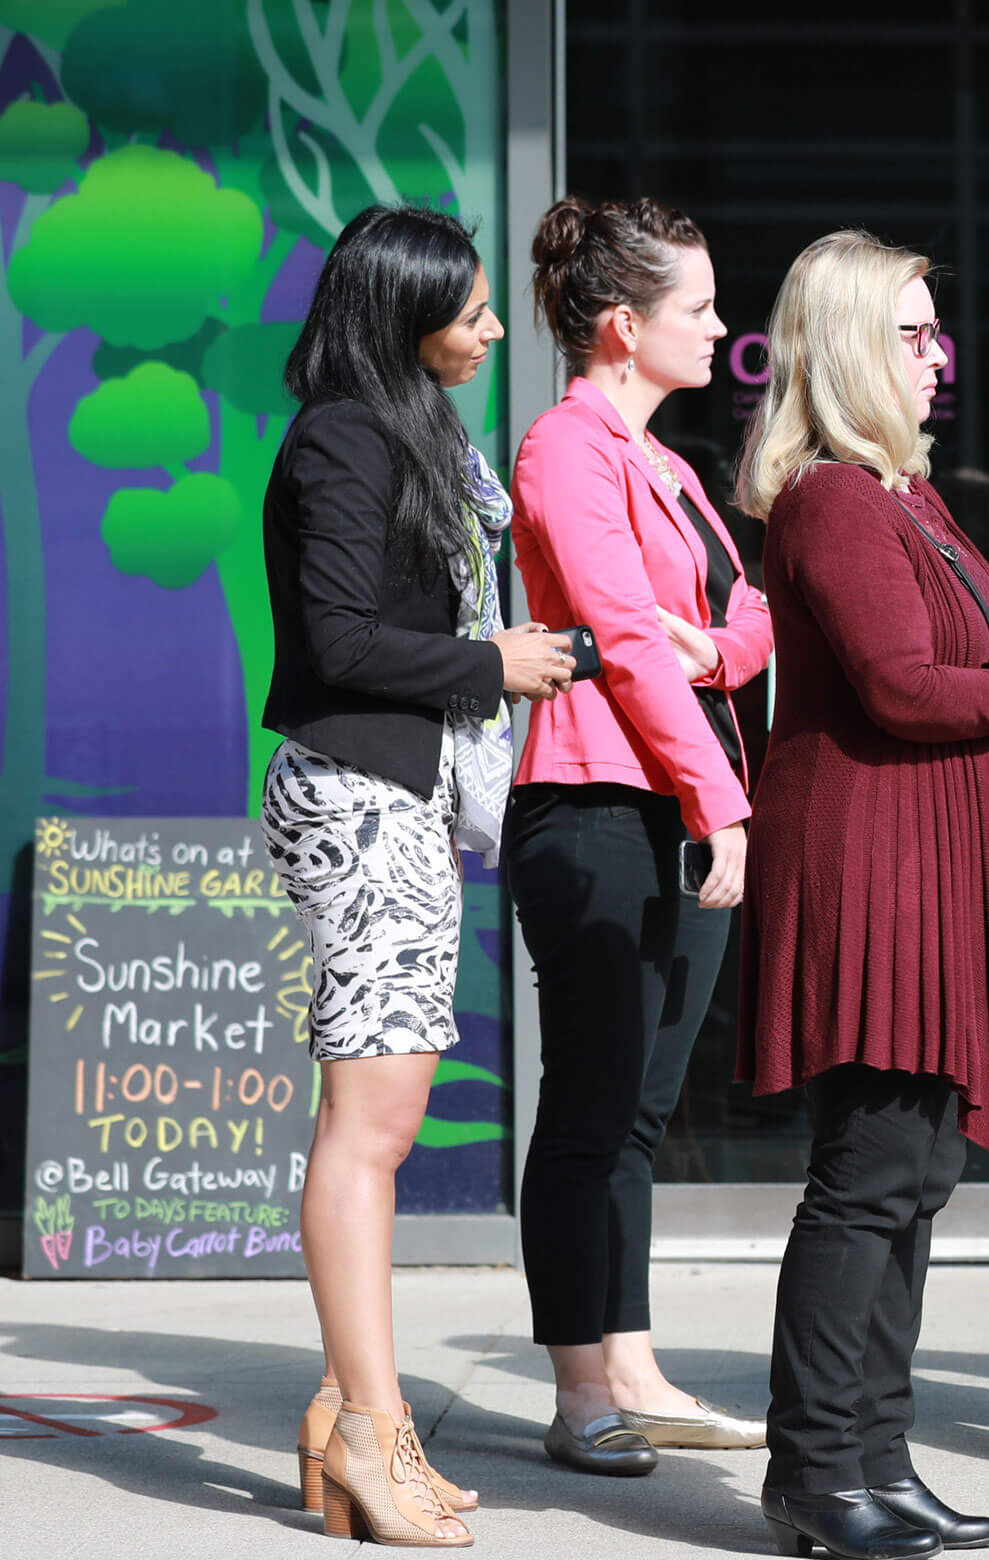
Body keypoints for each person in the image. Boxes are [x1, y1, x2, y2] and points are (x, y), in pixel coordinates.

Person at [737, 230, 989, 1559]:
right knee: (870, 1176)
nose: (941, 358)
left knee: (914, 1172)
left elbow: (949, 654)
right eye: (915, 334)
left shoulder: (903, 496)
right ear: (853, 351)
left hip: (929, 861)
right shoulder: (832, 500)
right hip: (875, 865)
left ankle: (878, 1458)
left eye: (938, 332)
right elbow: (902, 687)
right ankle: (818, 1476)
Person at [262, 204, 572, 1547]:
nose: (494, 331)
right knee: (370, 1134)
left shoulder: (413, 431)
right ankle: (374, 1437)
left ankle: (351, 1422)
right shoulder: (340, 437)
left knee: (377, 1129)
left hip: (404, 799)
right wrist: (489, 667)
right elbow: (334, 641)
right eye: (471, 313)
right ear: (401, 316)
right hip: (358, 794)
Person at [507, 196, 771, 1476]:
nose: (724, 328)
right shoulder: (568, 447)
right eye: (700, 308)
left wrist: (714, 645)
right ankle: (580, 1391)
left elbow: (751, 616)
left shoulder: (668, 464)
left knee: (644, 1109)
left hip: (676, 796)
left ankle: (633, 1361)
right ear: (624, 325)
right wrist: (720, 798)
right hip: (598, 801)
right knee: (592, 1103)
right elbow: (617, 639)